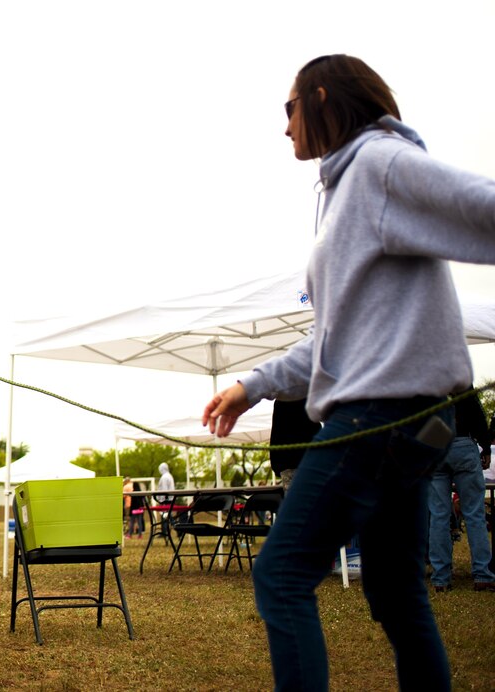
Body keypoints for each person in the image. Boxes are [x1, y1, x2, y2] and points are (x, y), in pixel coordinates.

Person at [202, 54, 495, 692]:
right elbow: (333, 342)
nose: (285, 128)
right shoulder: (348, 188)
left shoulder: (378, 165)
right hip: (420, 425)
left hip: (380, 420)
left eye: (289, 109)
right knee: (395, 591)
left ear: (322, 96)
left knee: (280, 575)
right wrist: (251, 385)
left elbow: (484, 207)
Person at [428, 390, 495, 592]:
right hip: (463, 443)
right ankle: (482, 575)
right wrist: (484, 445)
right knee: (474, 514)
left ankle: (441, 578)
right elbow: (477, 414)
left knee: (438, 515)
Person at [269, 398, 320, 491]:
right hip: (309, 462)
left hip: (291, 464)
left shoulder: (282, 400)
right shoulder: (306, 397)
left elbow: (277, 434)